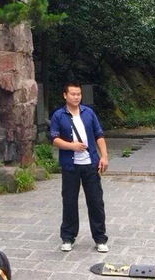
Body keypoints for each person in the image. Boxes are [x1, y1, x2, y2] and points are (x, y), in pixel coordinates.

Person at [50, 83, 109, 253]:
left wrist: (104, 156)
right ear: (65, 95)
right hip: (70, 166)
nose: (76, 97)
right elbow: (54, 139)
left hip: (90, 164)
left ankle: (100, 238)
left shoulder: (88, 113)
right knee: (69, 201)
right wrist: (71, 146)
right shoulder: (58, 115)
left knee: (96, 201)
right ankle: (68, 237)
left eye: (78, 94)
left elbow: (99, 135)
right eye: (73, 94)